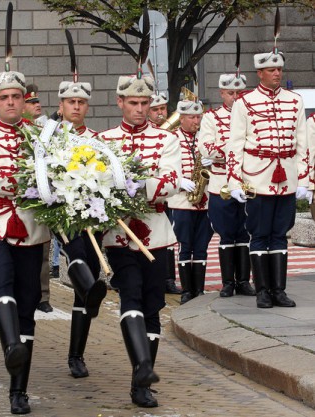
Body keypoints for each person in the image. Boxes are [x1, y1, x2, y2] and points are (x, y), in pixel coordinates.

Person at [0, 69, 51, 414]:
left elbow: (58, 170)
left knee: (29, 301)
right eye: (4, 97)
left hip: (31, 225)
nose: (12, 102)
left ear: (24, 100)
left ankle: (19, 390)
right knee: (2, 280)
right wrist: (37, 181)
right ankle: (10, 344)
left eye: (17, 96)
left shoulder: (40, 135)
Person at [98, 73, 182, 408]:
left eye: (145, 103)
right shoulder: (104, 140)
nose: (139, 109)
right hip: (118, 235)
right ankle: (141, 370)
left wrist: (130, 186)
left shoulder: (166, 140)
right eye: (133, 103)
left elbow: (173, 181)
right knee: (129, 294)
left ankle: (143, 379)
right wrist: (147, 181)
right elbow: (96, 182)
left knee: (153, 304)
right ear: (120, 102)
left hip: (156, 231)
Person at [226, 48, 308, 309]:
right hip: (257, 177)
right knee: (259, 234)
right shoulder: (245, 103)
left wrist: (304, 179)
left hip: (287, 178)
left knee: (280, 234)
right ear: (259, 73)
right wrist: (233, 180)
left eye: (279, 69)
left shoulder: (295, 101)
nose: (277, 73)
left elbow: (303, 143)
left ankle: (279, 290)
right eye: (271, 70)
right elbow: (235, 144)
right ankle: (262, 290)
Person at [55, 79, 108, 379]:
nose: (76, 107)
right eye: (71, 102)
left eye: (81, 102)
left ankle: (76, 355)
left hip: (93, 215)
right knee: (76, 258)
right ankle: (90, 291)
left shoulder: (98, 140)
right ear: (61, 105)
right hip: (62, 215)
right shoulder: (48, 138)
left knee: (88, 273)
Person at [198, 74, 255, 298]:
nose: (235, 97)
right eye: (231, 93)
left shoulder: (251, 115)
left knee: (245, 233)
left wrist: (227, 150)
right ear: (222, 93)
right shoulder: (211, 117)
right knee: (226, 233)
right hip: (221, 183)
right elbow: (206, 147)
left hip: (246, 182)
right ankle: (227, 282)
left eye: (239, 93)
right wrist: (234, 149)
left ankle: (243, 280)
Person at [167, 100, 214, 305]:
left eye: (198, 117)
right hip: (181, 200)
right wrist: (180, 181)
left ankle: (199, 289)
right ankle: (187, 291)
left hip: (204, 200)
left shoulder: (205, 137)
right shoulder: (172, 138)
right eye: (192, 118)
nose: (196, 121)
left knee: (201, 245)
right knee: (185, 245)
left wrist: (212, 163)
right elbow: (166, 166)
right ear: (182, 118)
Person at [24, 83, 53, 314]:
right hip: (19, 198)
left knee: (43, 249)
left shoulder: (45, 128)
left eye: (37, 101)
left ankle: (43, 296)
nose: (37, 105)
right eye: (32, 102)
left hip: (40, 196)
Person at [148, 92, 182, 295]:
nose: (160, 113)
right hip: (152, 190)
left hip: (172, 191)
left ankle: (169, 278)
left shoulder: (173, 133)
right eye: (155, 109)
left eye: (163, 109)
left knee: (169, 237)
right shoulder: (148, 133)